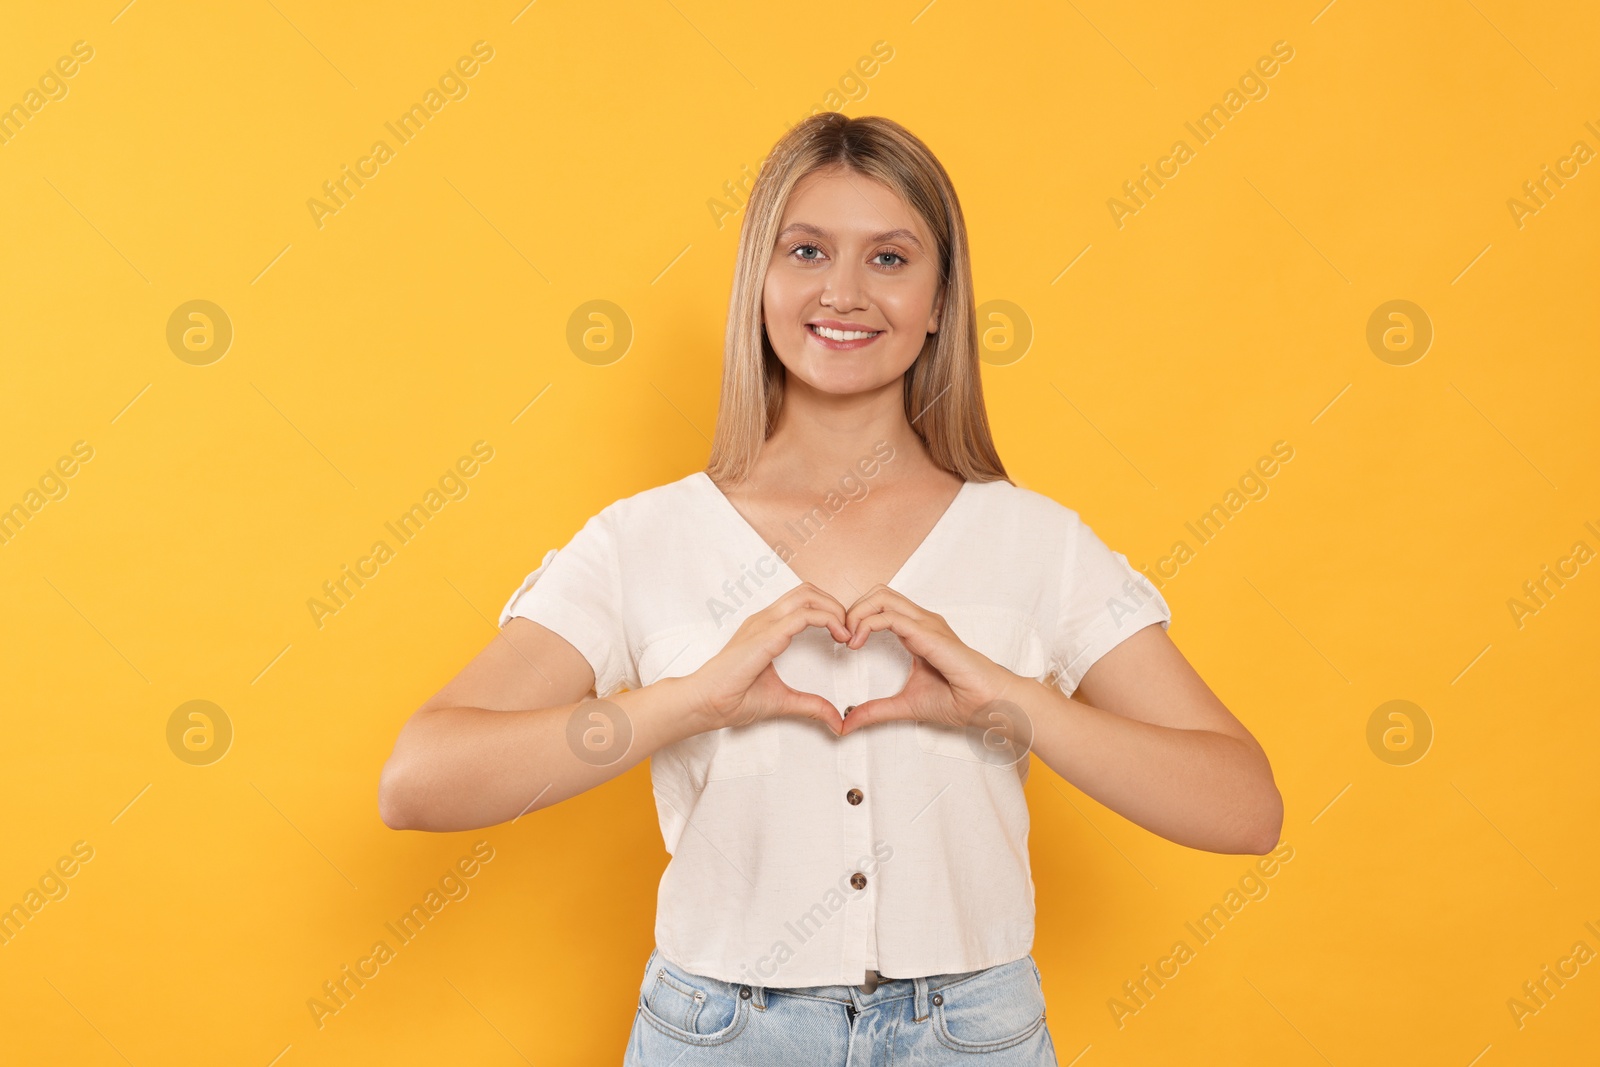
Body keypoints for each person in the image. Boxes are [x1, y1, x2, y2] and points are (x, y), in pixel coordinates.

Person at [378, 112, 1283, 1065]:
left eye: (890, 259)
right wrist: (691, 702)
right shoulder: (644, 539)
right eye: (806, 250)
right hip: (718, 1036)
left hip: (971, 1036)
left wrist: (1011, 704)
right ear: (759, 285)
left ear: (941, 300)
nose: (843, 292)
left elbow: (1242, 807)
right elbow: (421, 779)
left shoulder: (1034, 540)